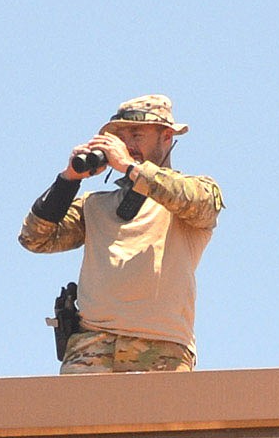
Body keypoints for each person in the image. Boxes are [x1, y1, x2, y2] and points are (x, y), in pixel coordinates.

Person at [18, 94, 223, 374]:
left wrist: (130, 167)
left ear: (166, 137)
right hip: (90, 347)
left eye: (137, 135)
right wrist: (68, 179)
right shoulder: (95, 205)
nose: (128, 145)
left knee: (160, 419)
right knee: (81, 419)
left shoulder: (194, 192)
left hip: (161, 346)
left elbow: (201, 205)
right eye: (121, 138)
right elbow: (34, 237)